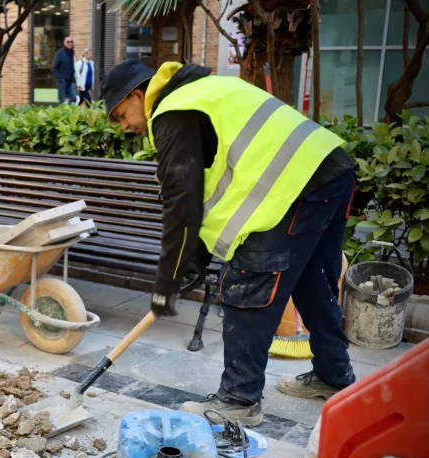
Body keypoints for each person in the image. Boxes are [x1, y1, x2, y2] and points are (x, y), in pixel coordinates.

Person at [100, 60, 356, 426]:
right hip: (328, 170)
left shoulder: (174, 112)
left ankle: (239, 399)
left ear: (138, 95)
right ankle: (334, 376)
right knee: (311, 282)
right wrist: (197, 257)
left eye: (122, 114)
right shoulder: (201, 94)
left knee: (248, 283)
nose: (125, 126)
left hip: (297, 185)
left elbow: (181, 204)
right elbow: (208, 190)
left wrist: (168, 279)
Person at [52, 36, 77, 105]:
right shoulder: (59, 53)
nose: (70, 43)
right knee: (62, 101)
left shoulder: (72, 53)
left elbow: (72, 69)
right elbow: (54, 68)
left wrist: (74, 81)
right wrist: (61, 79)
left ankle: (69, 110)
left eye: (71, 41)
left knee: (74, 98)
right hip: (62, 82)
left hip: (70, 81)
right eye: (68, 42)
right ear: (64, 43)